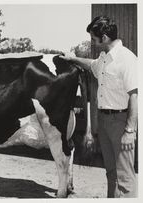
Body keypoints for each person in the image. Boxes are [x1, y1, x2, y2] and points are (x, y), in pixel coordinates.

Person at [59, 16, 137, 198]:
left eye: (94, 38)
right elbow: (91, 65)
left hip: (120, 122)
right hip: (104, 121)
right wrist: (72, 58)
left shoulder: (126, 59)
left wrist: (130, 131)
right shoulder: (104, 58)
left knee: (125, 177)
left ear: (104, 37)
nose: (93, 42)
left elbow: (135, 96)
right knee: (111, 173)